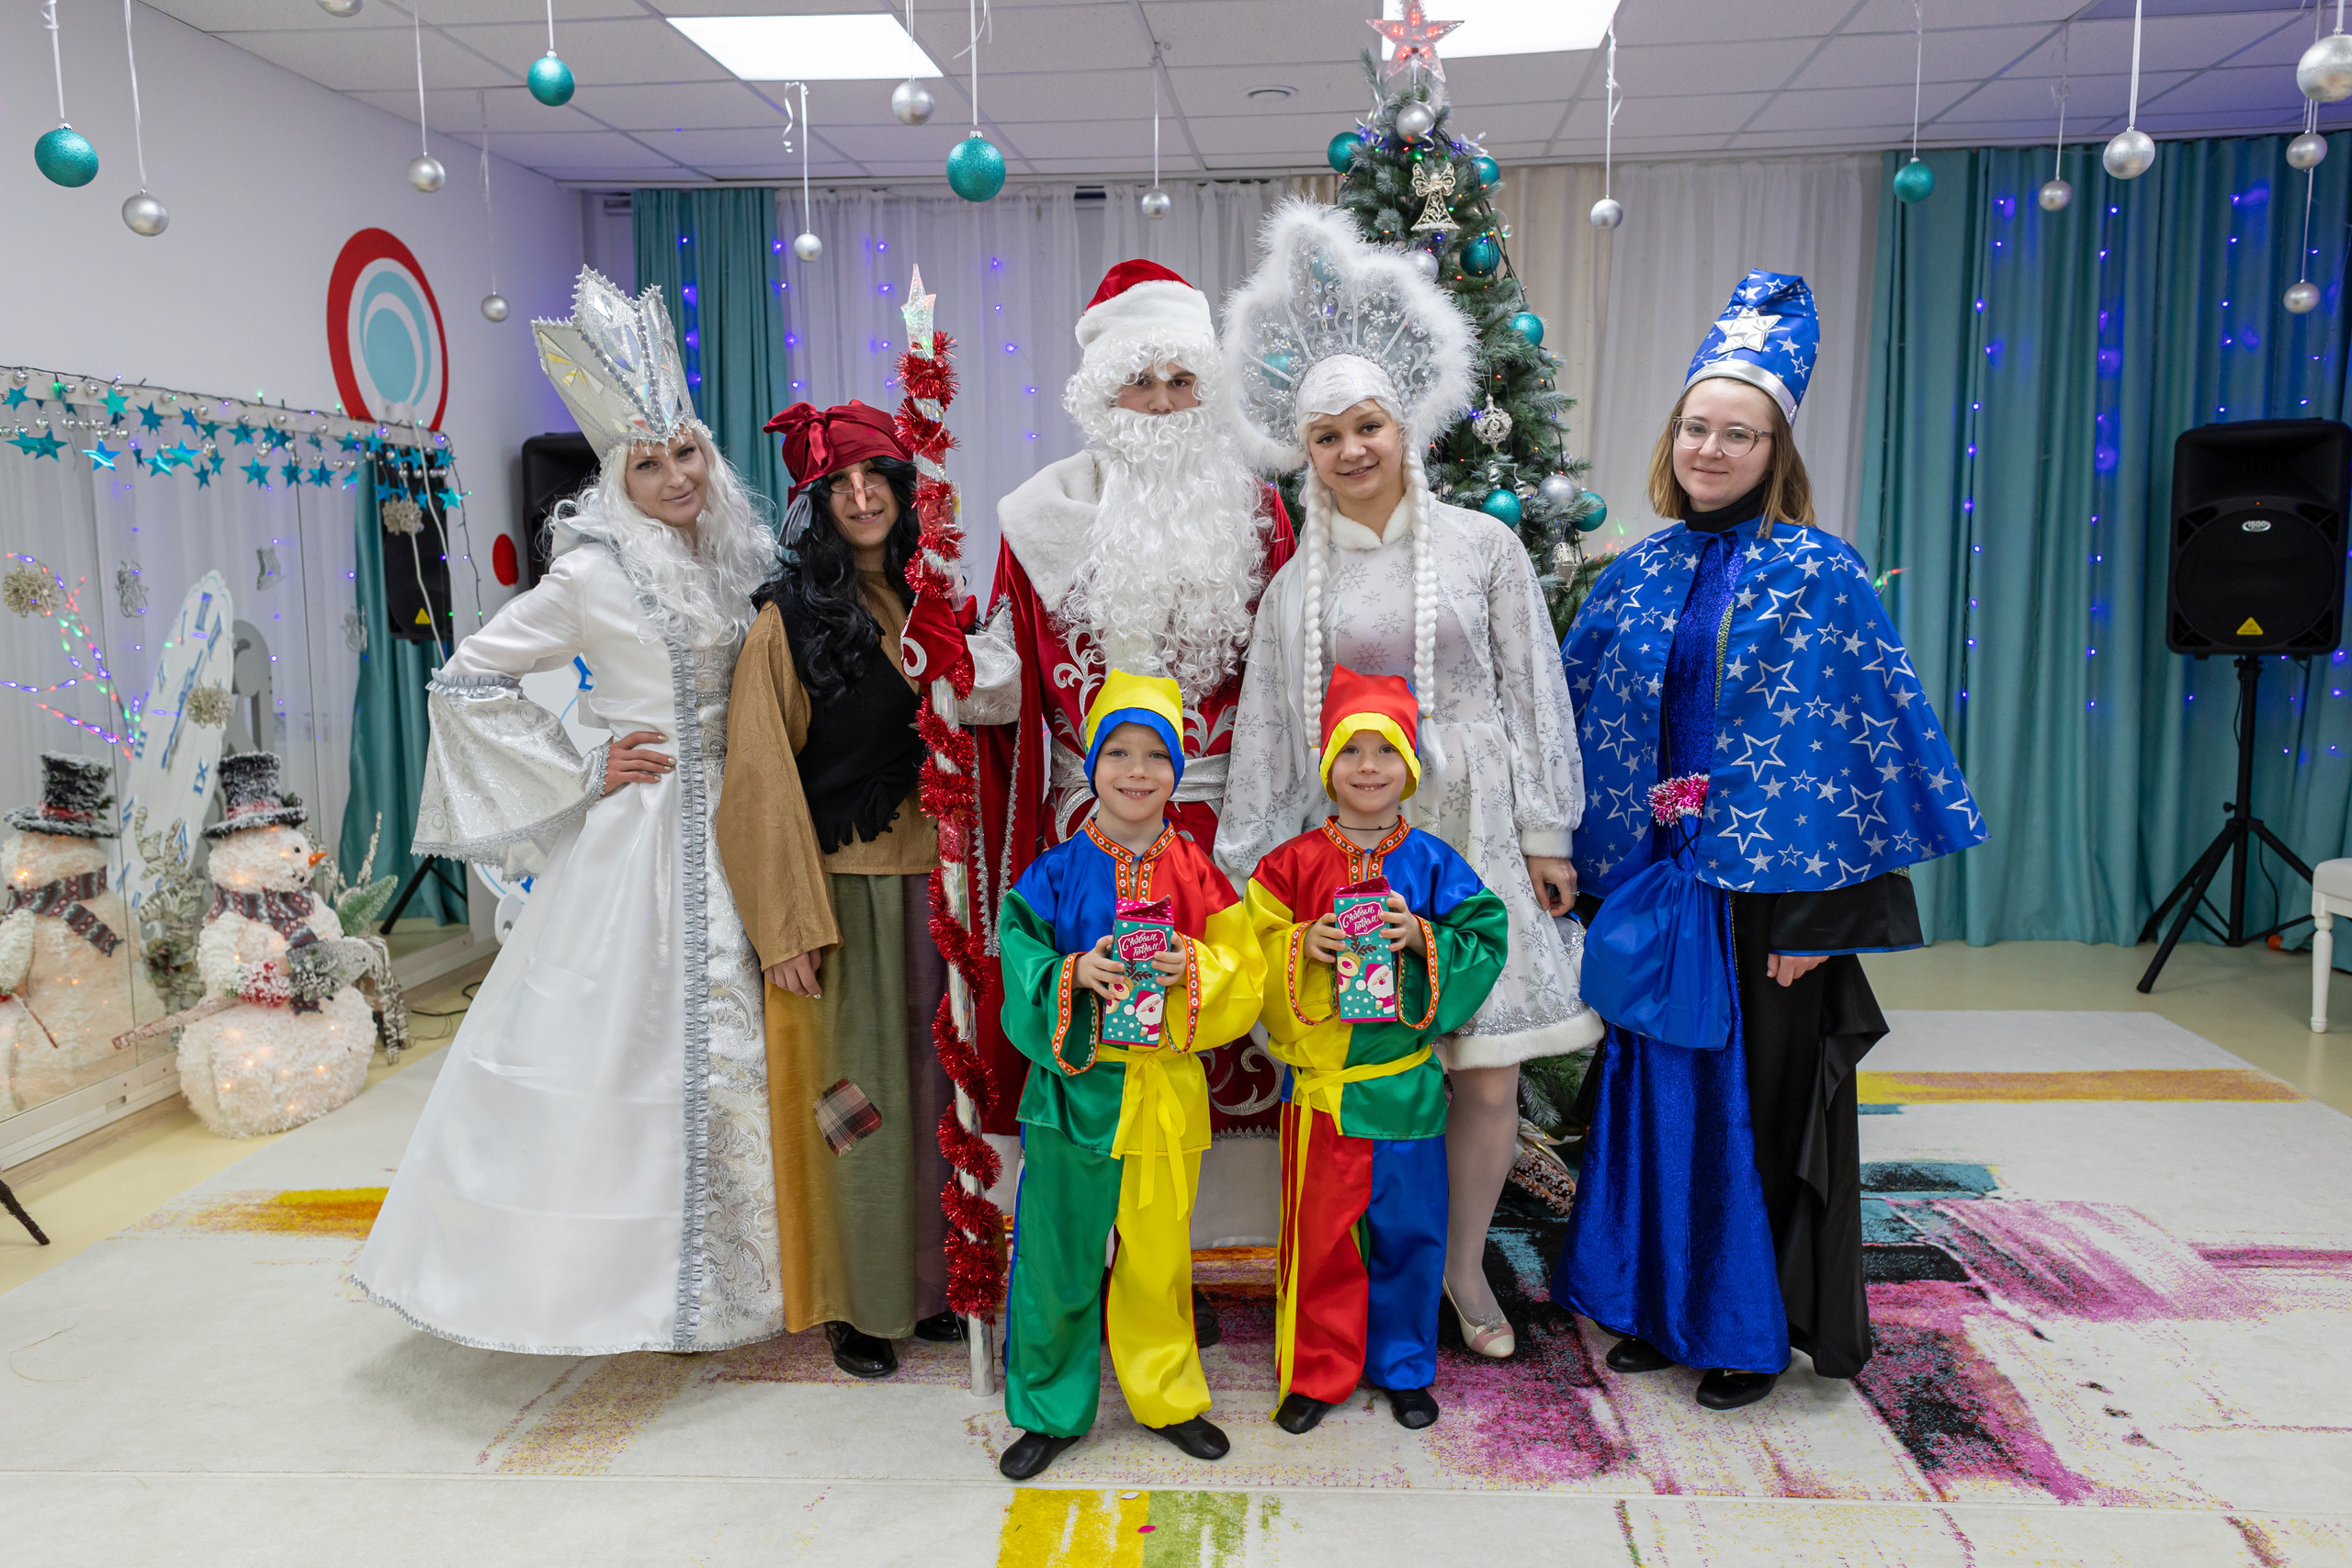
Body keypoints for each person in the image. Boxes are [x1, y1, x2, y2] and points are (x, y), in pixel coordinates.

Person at [1551, 270, 1986, 1410]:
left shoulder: (1823, 573)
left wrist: (1822, 923)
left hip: (1769, 901)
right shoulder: (1634, 574)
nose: (1709, 448)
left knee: (1756, 1107)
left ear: (1772, 447)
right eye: (1695, 427)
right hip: (1657, 889)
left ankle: (1746, 1329)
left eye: (1735, 433)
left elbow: (1852, 754)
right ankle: (1654, 1304)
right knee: (1651, 1099)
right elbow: (1580, 723)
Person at [354, 268, 783, 1354]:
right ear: (616, 473)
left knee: (751, 1046)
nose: (676, 475)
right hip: (644, 842)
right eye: (648, 461)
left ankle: (763, 1279)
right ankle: (603, 1289)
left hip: (747, 824)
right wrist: (584, 762)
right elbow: (465, 678)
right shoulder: (591, 574)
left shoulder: (736, 556)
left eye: (685, 450)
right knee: (626, 1060)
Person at [1216, 203, 1601, 1361]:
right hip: (1355, 850)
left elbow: (1535, 691)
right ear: (1306, 450)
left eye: (1367, 426)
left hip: (1473, 824)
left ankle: (1464, 1272)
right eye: (1326, 434)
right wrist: (1258, 878)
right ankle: (1375, 1275)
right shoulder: (1295, 589)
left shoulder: (1484, 549)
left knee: (1482, 1077)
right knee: (1376, 1073)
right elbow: (1277, 738)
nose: (1350, 450)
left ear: (1406, 426)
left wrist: (1546, 832)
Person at [900, 260, 1296, 1151]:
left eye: (1181, 380)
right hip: (1087, 829)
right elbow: (1003, 684)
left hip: (1227, 823)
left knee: (1221, 1014)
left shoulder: (1261, 514)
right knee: (1100, 1005)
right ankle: (1092, 1205)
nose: (1160, 402)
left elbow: (1284, 680)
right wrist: (948, 651)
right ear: (1102, 394)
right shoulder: (1038, 516)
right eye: (1139, 381)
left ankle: (1222, 1233)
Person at [714, 399, 963, 1380]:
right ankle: (853, 1303)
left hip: (936, 890)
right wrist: (784, 925)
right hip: (840, 894)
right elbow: (759, 779)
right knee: (850, 1107)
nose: (862, 499)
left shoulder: (936, 595)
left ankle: (931, 1287)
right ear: (815, 506)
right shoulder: (785, 622)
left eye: (878, 480)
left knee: (934, 1104)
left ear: (905, 493)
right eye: (839, 486)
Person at [991, 671, 1264, 1481]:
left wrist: (1196, 967)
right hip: (1074, 1096)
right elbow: (1021, 961)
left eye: (1156, 754)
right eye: (1119, 751)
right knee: (1057, 1255)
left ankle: (1169, 1397)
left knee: (1157, 1258)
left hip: (1164, 1096)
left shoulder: (1200, 875)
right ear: (1090, 762)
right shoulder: (1053, 873)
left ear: (1178, 769)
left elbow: (1243, 971)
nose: (1137, 770)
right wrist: (1073, 972)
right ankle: (1047, 1405)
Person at [1245, 667, 1509, 1435]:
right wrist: (1301, 945)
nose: (1368, 766)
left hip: (1407, 1092)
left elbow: (1485, 936)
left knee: (1410, 1233)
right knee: (1321, 1240)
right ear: (1328, 762)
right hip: (1324, 1096)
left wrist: (1421, 937)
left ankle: (1403, 1363)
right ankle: (1316, 1371)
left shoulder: (1430, 862)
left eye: (1385, 750)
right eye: (1352, 749)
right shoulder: (1290, 865)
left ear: (1410, 767)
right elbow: (1248, 949)